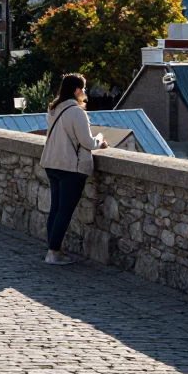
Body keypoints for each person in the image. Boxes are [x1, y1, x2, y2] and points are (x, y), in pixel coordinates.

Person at [40, 72, 107, 265]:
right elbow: (86, 141)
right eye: (83, 88)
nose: (84, 92)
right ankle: (53, 253)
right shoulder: (76, 112)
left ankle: (51, 247)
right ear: (77, 90)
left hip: (52, 163)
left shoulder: (53, 108)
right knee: (65, 211)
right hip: (71, 166)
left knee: (56, 208)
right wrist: (100, 140)